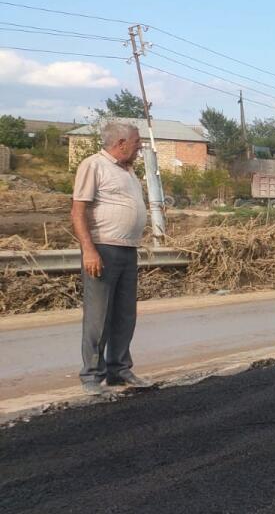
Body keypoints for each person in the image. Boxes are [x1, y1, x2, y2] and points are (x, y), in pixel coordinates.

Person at [71, 122, 154, 395]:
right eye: (137, 142)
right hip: (103, 250)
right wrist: (89, 249)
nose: (140, 146)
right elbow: (78, 211)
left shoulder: (128, 171)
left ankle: (119, 369)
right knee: (99, 315)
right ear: (121, 143)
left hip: (128, 249)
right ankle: (92, 375)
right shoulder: (93, 165)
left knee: (124, 314)